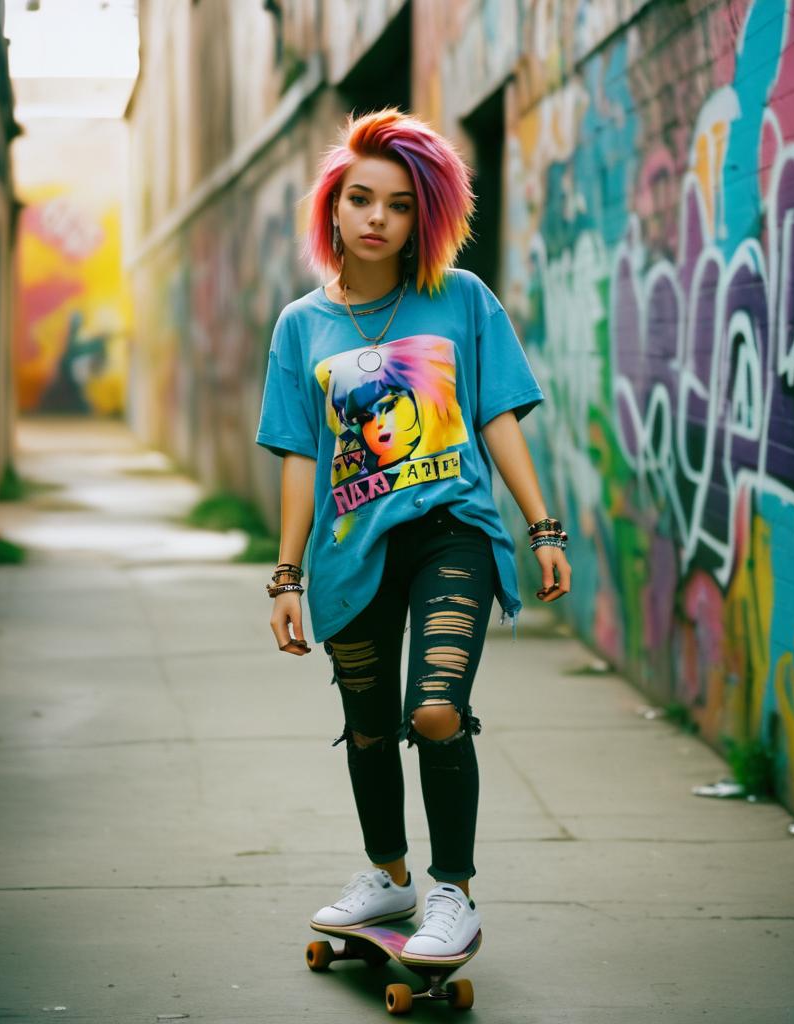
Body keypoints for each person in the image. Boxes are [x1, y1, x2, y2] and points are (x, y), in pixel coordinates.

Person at [255, 108, 571, 959]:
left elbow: (498, 415)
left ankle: (452, 894)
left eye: (398, 205)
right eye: (361, 198)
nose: (376, 218)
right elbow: (296, 456)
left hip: (451, 533)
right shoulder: (300, 325)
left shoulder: (460, 299)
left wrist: (543, 527)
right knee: (366, 726)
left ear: (420, 217)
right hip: (349, 551)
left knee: (433, 710)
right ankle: (388, 879)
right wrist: (286, 578)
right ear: (333, 205)